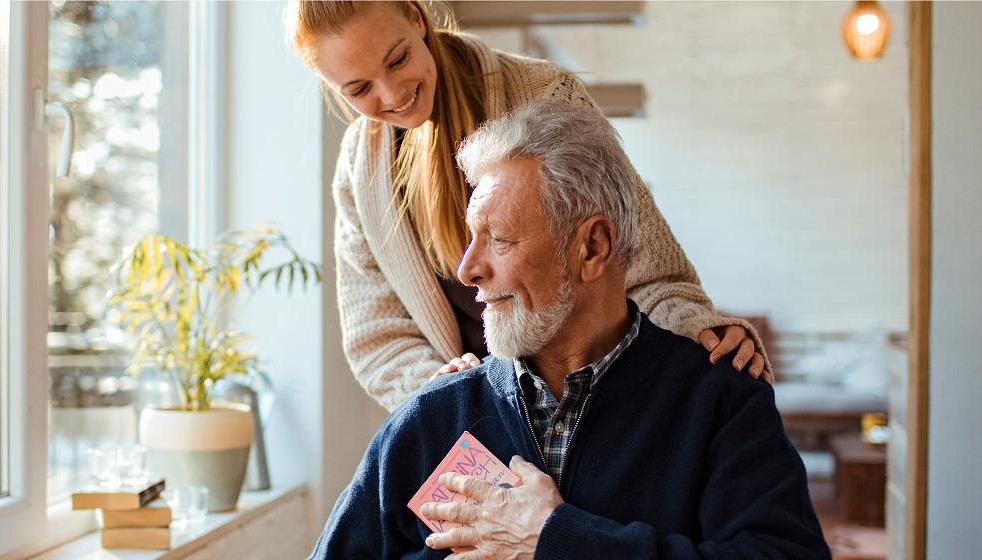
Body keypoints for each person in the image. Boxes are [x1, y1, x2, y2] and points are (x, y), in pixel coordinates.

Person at [310, 101, 829, 559]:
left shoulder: (722, 400)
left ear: (592, 248)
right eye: (472, 238)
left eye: (500, 240)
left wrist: (556, 539)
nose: (468, 269)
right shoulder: (433, 416)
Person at [286, 1, 772, 411]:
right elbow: (378, 334)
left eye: (397, 60)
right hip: (472, 424)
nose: (391, 94)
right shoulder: (359, 170)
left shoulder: (544, 94)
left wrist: (698, 330)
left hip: (596, 397)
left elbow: (640, 258)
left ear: (416, 18)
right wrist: (441, 390)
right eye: (358, 89)